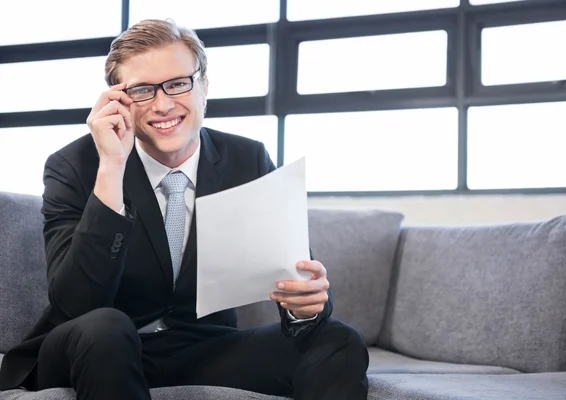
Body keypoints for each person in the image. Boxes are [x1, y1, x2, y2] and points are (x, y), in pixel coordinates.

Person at [0, 19, 369, 400]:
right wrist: (111, 167)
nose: (163, 105)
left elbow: (296, 274)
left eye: (178, 84)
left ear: (204, 86)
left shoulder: (247, 159)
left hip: (203, 346)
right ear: (117, 101)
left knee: (337, 340)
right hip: (93, 347)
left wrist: (304, 306)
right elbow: (75, 305)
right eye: (142, 90)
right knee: (106, 327)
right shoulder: (75, 165)